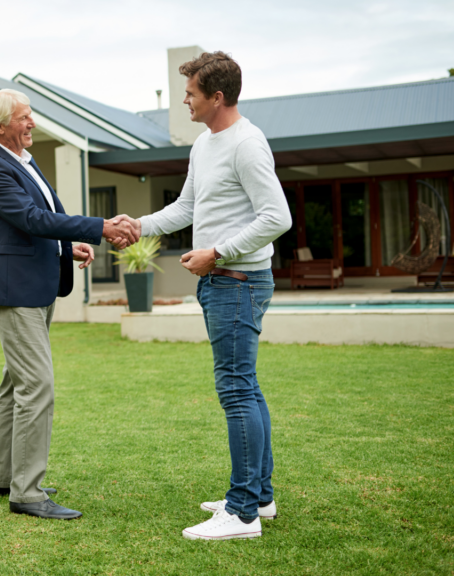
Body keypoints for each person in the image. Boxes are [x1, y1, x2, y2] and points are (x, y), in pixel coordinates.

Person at [124, 52, 291, 539]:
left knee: (236, 390)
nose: (185, 100)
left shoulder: (247, 144)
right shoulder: (205, 143)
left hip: (237, 283)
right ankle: (259, 497)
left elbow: (276, 217)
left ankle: (241, 514)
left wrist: (216, 253)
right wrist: (137, 226)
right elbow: (188, 206)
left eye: (192, 93)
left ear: (217, 97)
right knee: (247, 388)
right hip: (223, 282)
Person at [0, 88, 139, 520]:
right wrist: (100, 227)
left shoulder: (21, 158)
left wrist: (69, 246)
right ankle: (27, 494)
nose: (32, 124)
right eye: (24, 118)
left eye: (31, 116)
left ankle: (3, 476)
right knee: (36, 386)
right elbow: (30, 219)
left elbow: (42, 218)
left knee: (16, 385)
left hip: (35, 286)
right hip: (16, 291)